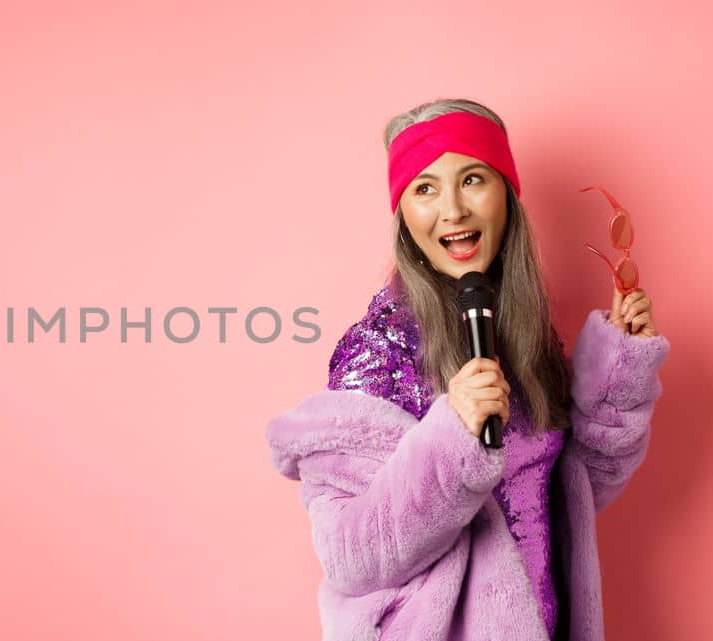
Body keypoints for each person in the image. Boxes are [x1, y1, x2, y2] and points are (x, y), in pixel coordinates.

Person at [264, 98, 669, 641]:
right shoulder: (377, 351)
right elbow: (351, 555)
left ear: (506, 195)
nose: (452, 210)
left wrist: (619, 371)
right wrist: (453, 437)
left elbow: (567, 497)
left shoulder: (521, 334)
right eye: (425, 189)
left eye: (472, 179)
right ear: (404, 216)